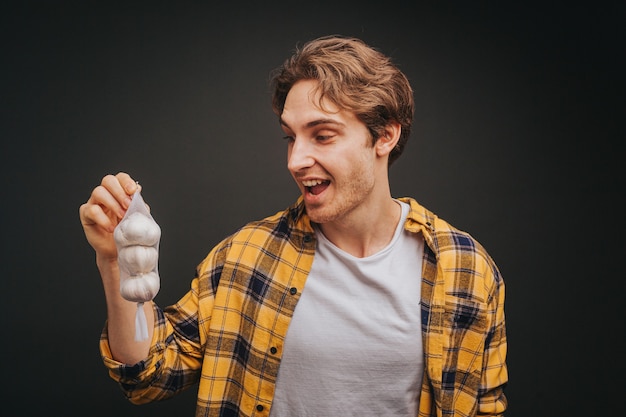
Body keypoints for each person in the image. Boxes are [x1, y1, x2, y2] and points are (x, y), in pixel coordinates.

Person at [79, 35, 508, 416]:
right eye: (290, 136)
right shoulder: (247, 255)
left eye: (322, 135)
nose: (296, 160)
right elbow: (149, 375)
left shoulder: (465, 270)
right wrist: (115, 263)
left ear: (385, 136)